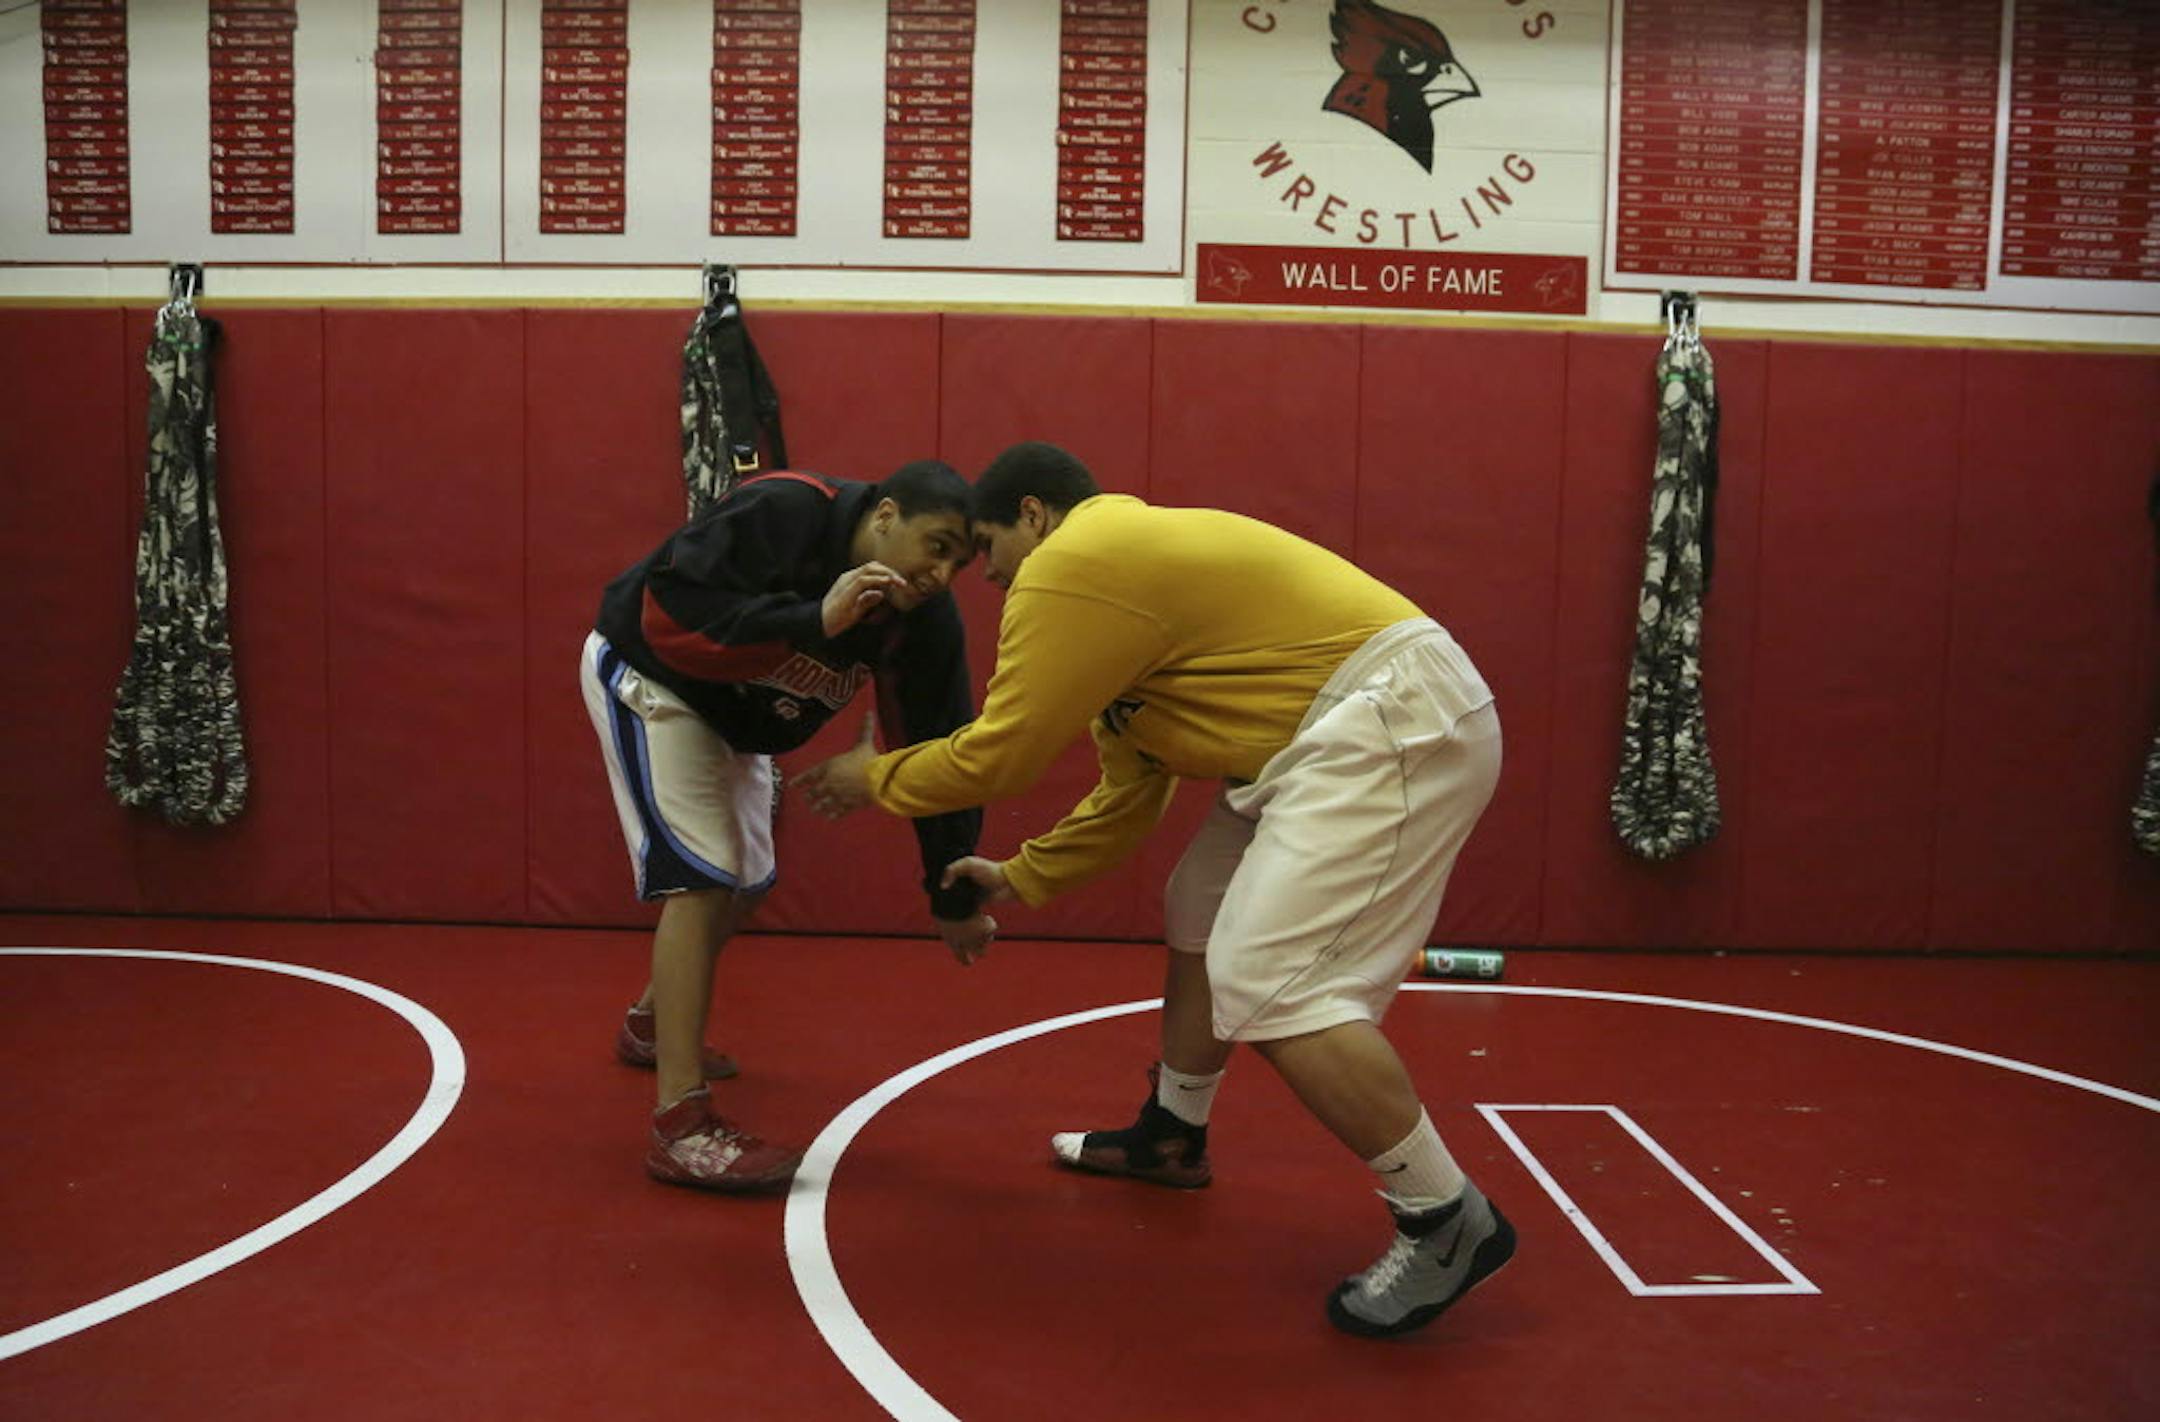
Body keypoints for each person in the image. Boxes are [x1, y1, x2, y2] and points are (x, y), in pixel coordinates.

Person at [799, 442, 1513, 1335]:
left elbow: (1005, 752)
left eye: (986, 549)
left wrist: (874, 779)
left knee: (1272, 981)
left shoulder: (1076, 560)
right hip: (1332, 736)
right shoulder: (1123, 623)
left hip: (1388, 719)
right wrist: (1019, 876)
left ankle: (1444, 1218)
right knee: (1199, 905)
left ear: (1033, 515)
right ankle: (1172, 1134)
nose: (983, 578)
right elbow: (1128, 799)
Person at [581, 460, 994, 1192]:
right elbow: (667, 618)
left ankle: (651, 1021)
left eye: (959, 563)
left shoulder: (921, 619)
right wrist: (814, 620)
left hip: (737, 718)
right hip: (655, 675)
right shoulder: (785, 511)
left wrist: (951, 891)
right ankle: (680, 1124)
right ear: (887, 514)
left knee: (748, 883)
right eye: (936, 546)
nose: (942, 574)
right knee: (703, 881)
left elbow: (937, 751)